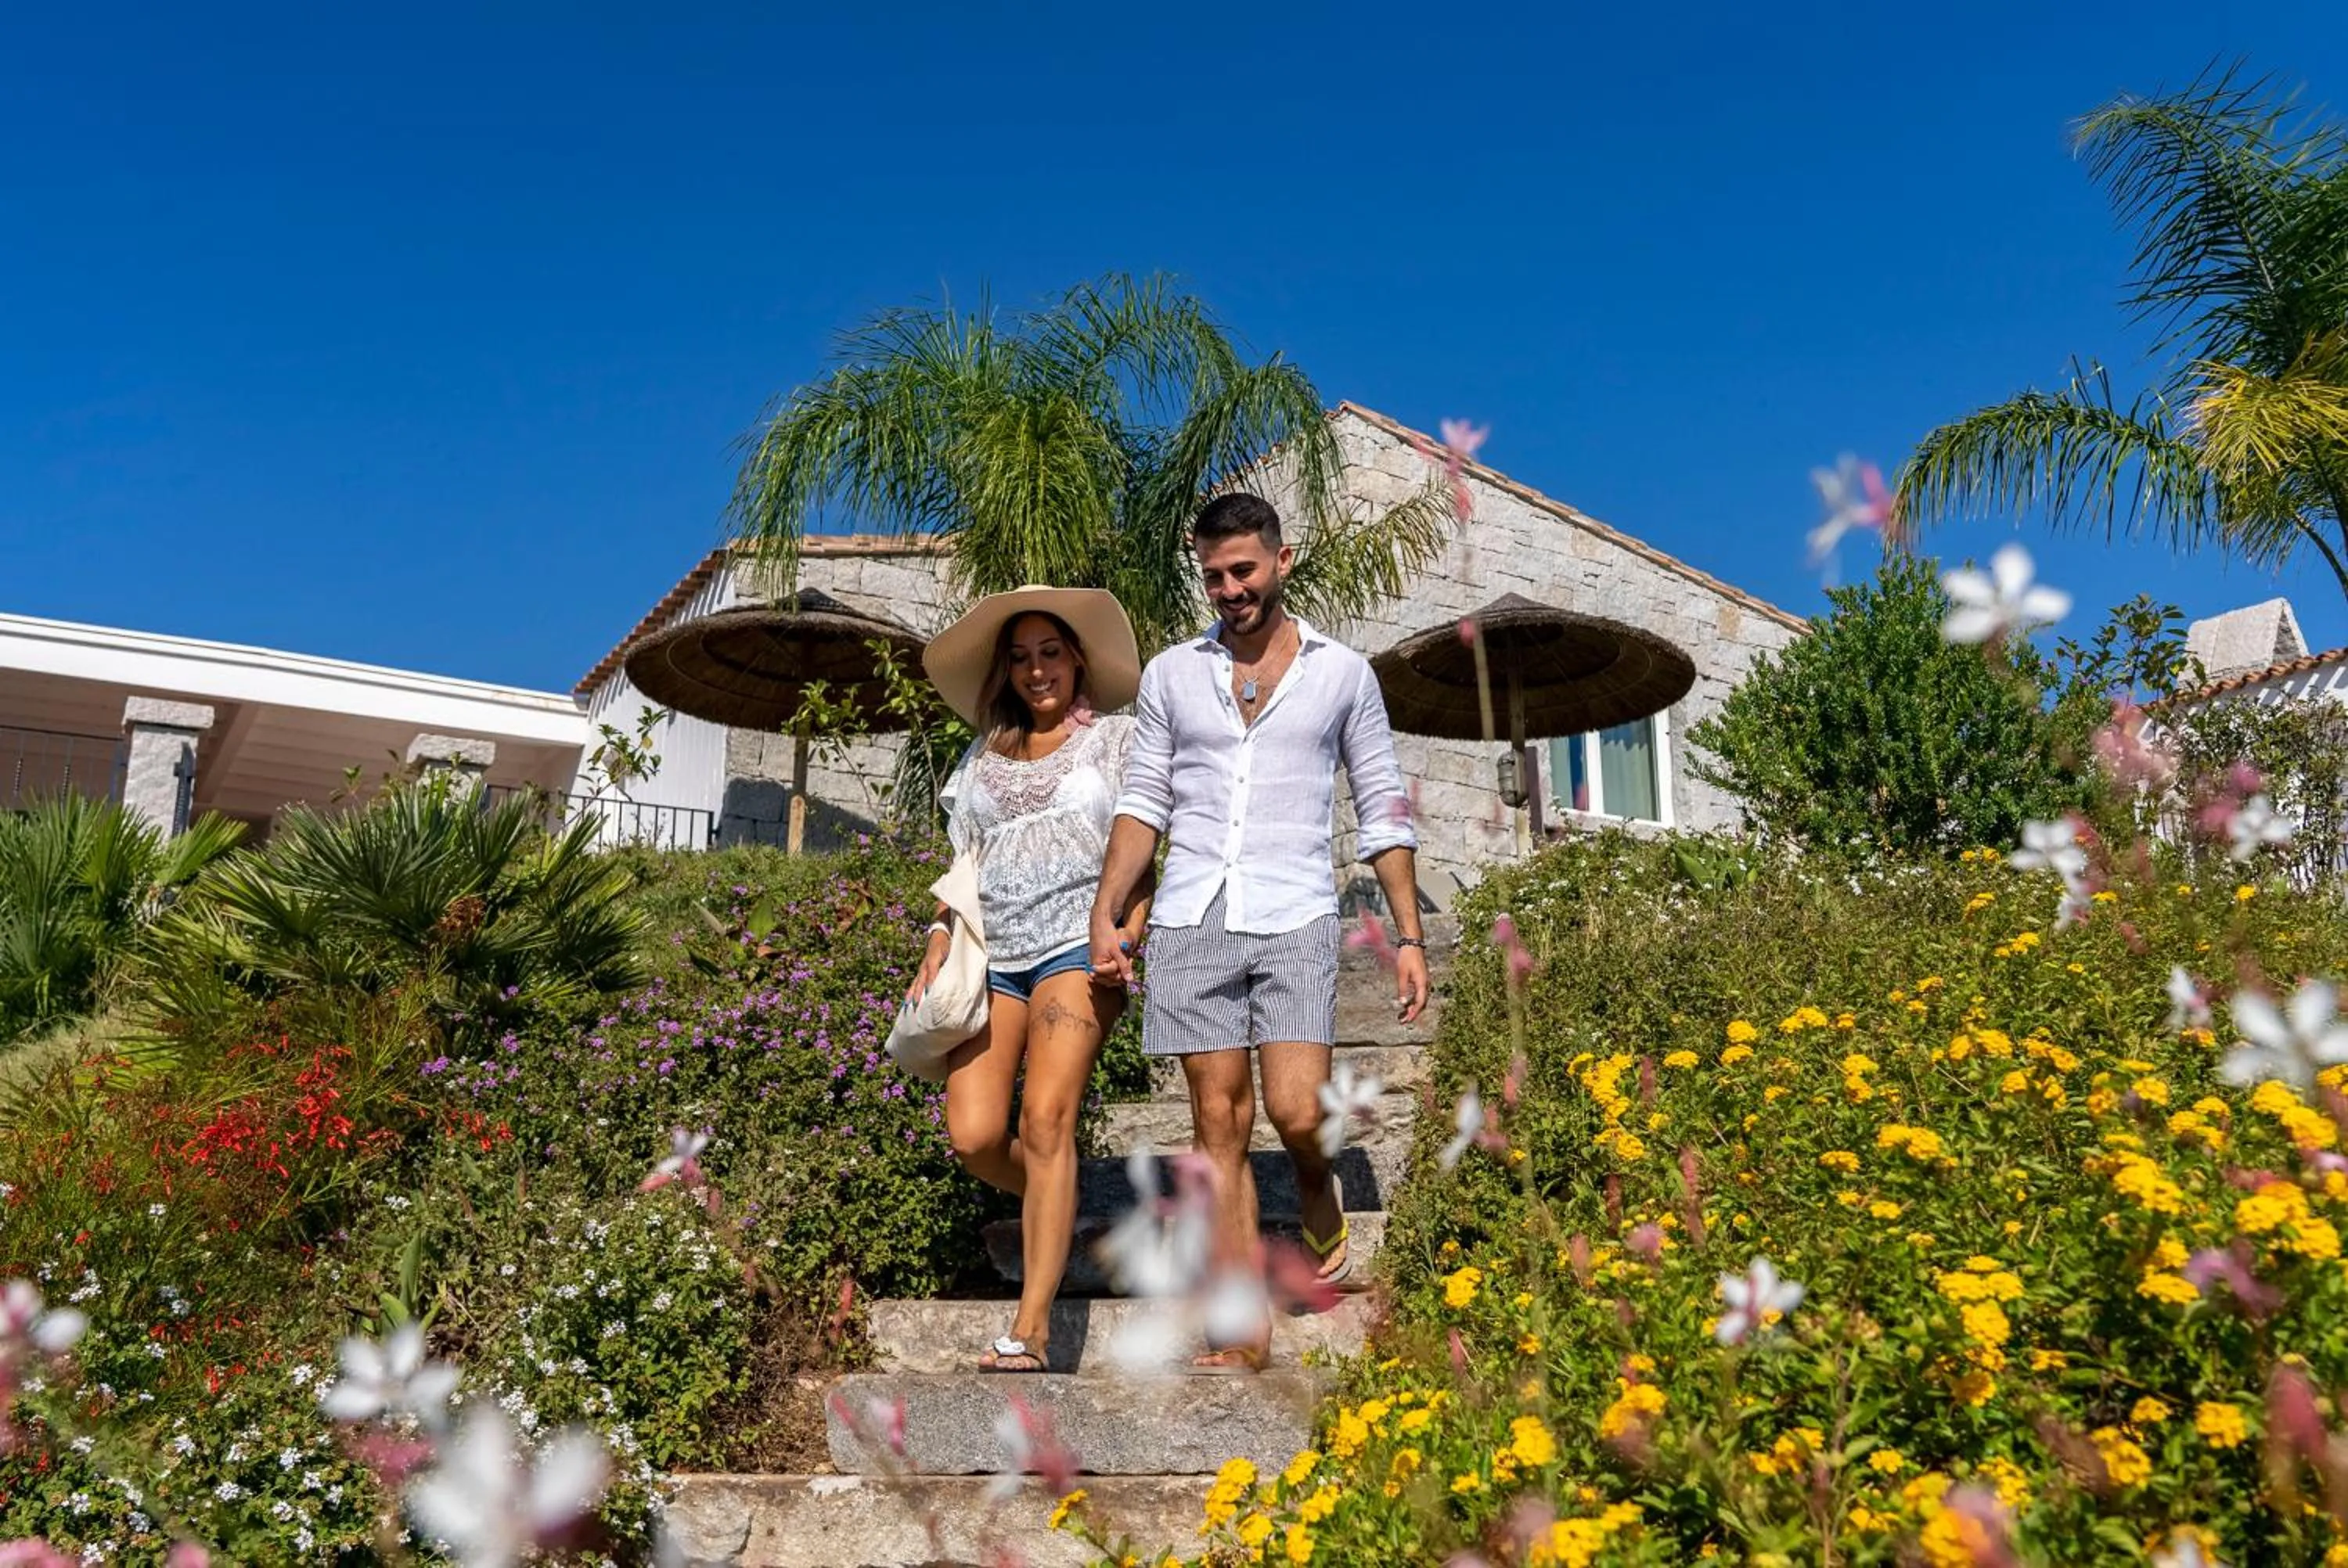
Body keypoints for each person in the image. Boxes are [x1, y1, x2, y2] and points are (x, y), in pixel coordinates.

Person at [1090, 493, 1428, 1372]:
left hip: (1296, 911)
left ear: (1281, 561)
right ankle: (1241, 1329)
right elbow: (1144, 801)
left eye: (1243, 571)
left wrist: (1409, 934)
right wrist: (1109, 905)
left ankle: (1316, 1181)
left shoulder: (1343, 674)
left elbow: (1383, 806)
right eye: (1213, 577)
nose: (1229, 590)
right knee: (1217, 1121)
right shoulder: (1171, 676)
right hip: (1193, 912)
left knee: (1291, 1107)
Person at [910, 585, 1150, 1373]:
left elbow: (1143, 837)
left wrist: (1128, 925)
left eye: (1050, 652)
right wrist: (939, 938)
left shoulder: (1115, 741)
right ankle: (1060, 1197)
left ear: (1078, 657)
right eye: (1020, 657)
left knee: (1047, 1121)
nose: (1036, 669)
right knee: (975, 1134)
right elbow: (964, 864)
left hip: (1076, 951)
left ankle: (1033, 1328)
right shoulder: (982, 754)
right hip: (995, 956)